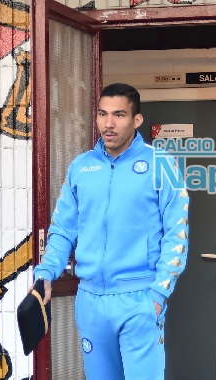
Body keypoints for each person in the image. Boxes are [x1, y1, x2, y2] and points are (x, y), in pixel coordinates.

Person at [32, 83, 189, 380]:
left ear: (137, 120)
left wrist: (158, 294)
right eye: (103, 114)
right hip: (91, 301)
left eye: (119, 115)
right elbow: (63, 229)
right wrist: (45, 275)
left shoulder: (161, 164)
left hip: (140, 298)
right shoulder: (81, 167)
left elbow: (177, 232)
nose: (108, 123)